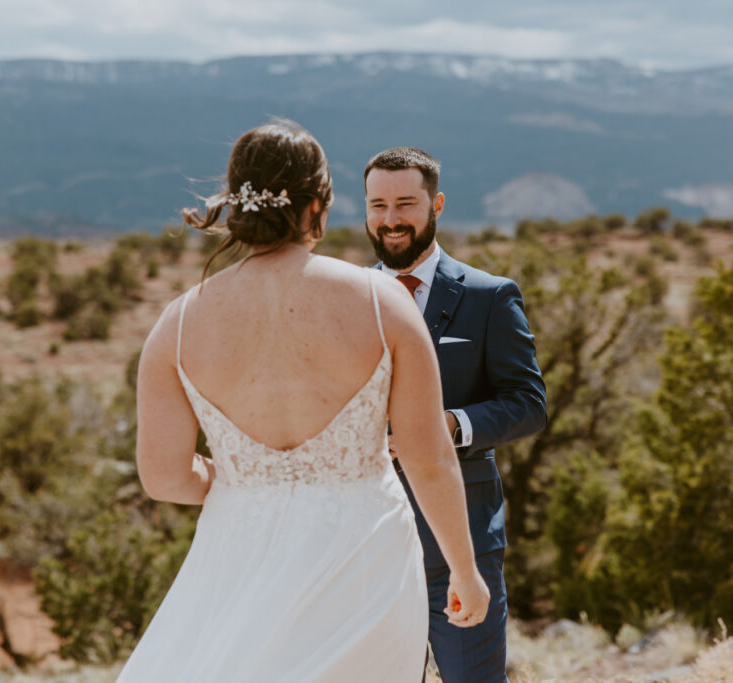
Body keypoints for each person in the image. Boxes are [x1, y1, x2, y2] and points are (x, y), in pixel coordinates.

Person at [116, 121, 489, 683]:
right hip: (366, 555)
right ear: (318, 204)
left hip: (238, 553)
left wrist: (240, 479)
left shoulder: (179, 322)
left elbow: (164, 479)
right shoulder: (381, 302)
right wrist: (465, 569)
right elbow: (428, 456)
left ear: (239, 205)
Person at [364, 147, 547, 683]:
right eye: (378, 205)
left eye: (405, 203)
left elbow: (528, 403)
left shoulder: (490, 297)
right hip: (365, 537)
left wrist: (450, 426)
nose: (391, 219)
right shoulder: (345, 299)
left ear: (436, 204)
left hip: (461, 538)